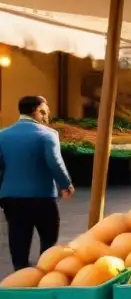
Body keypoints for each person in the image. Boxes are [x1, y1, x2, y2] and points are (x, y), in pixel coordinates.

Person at [0, 96, 73, 270]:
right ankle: (45, 274)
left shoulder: (2, 135)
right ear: (37, 110)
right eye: (45, 110)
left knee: (18, 238)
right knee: (48, 239)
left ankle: (20, 274)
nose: (47, 115)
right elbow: (54, 162)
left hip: (12, 197)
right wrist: (65, 184)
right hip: (42, 196)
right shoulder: (47, 134)